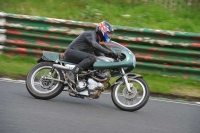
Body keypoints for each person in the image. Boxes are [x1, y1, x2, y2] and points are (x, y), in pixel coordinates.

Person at [64, 21, 118, 90]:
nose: (109, 35)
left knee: (96, 62)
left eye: (110, 34)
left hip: (77, 56)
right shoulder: (91, 34)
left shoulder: (96, 41)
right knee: (91, 57)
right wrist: (110, 53)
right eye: (108, 33)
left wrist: (111, 61)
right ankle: (71, 73)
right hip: (71, 52)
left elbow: (101, 56)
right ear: (102, 30)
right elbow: (95, 45)